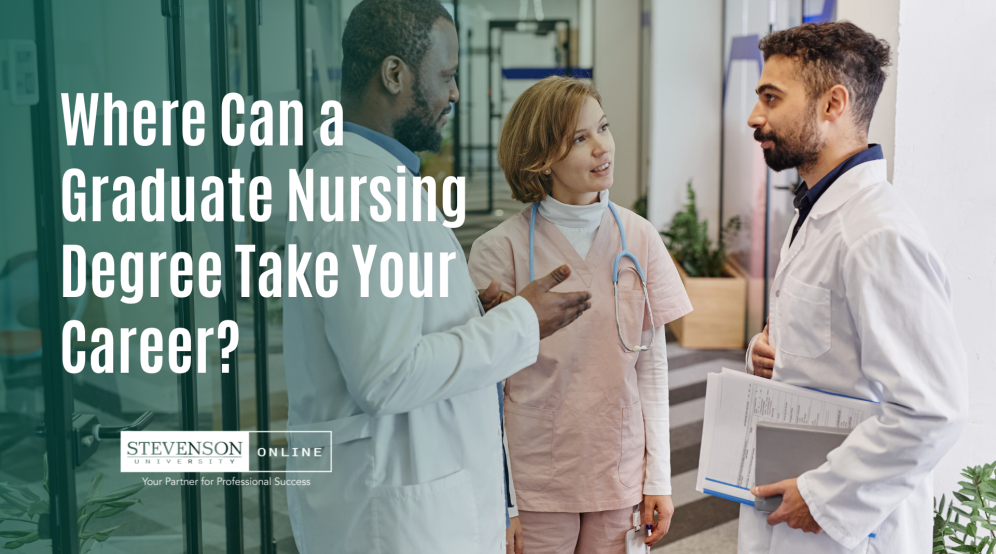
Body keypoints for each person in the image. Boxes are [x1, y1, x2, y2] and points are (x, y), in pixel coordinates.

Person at [282, 2, 592, 553]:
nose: (454, 94)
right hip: (394, 516)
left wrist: (467, 310)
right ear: (394, 73)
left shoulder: (368, 179)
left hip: (404, 494)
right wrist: (522, 320)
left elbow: (386, 323)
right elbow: (385, 375)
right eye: (446, 76)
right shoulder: (361, 196)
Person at [741, 21, 967, 553]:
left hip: (847, 527)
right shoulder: (817, 209)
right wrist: (770, 353)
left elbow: (933, 409)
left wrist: (825, 496)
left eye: (772, 99)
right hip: (794, 499)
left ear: (832, 103)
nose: (756, 117)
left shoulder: (877, 233)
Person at [467, 76, 693, 554]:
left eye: (603, 128)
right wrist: (503, 501)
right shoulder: (498, 251)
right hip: (535, 479)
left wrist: (660, 479)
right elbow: (482, 391)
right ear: (541, 158)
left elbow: (651, 366)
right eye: (579, 138)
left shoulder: (641, 238)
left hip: (618, 468)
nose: (602, 148)